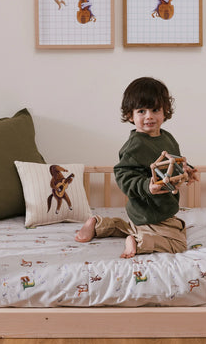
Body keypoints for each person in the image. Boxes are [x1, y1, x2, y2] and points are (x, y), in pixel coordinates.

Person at [75, 77, 198, 258]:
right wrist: (147, 186)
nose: (149, 116)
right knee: (178, 244)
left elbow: (173, 163)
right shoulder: (135, 146)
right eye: (142, 111)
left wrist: (187, 170)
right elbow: (124, 175)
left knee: (143, 226)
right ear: (130, 115)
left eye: (155, 110)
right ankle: (140, 242)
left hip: (155, 211)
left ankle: (98, 224)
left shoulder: (167, 138)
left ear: (165, 112)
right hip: (150, 211)